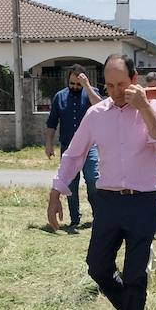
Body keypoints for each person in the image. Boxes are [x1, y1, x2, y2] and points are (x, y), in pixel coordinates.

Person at [47, 54, 156, 310]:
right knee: (97, 266)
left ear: (135, 79)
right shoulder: (96, 114)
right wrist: (56, 192)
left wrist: (144, 108)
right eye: (111, 85)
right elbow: (74, 154)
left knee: (135, 276)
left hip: (144, 202)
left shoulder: (153, 109)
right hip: (108, 201)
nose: (117, 91)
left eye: (123, 84)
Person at [44, 65, 102, 229]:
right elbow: (51, 124)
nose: (75, 87)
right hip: (68, 147)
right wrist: (48, 144)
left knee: (93, 179)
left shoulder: (92, 92)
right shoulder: (59, 97)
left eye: (78, 84)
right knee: (70, 183)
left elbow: (102, 108)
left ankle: (99, 216)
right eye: (72, 84)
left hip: (90, 146)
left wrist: (87, 87)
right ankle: (75, 219)